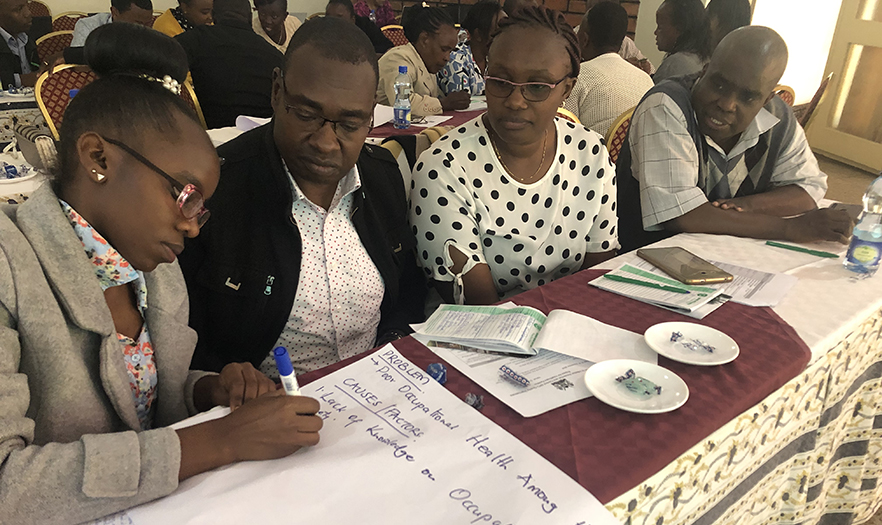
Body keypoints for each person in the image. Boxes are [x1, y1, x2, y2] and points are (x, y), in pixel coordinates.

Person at [0, 23, 322, 524]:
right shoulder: (9, 265)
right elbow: (8, 484)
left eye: (202, 209)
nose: (193, 229)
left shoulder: (154, 274)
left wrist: (207, 390)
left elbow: (143, 404)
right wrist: (218, 439)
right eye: (185, 194)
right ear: (97, 157)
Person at [179, 16, 426, 375]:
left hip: (377, 391)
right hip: (264, 410)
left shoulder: (381, 178)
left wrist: (393, 339)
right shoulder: (218, 191)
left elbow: (406, 293)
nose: (326, 142)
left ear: (371, 116)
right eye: (307, 115)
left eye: (350, 124)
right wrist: (222, 382)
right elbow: (185, 341)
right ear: (277, 91)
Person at [409, 6, 618, 306]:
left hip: (570, 327)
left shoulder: (592, 155)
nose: (516, 101)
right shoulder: (444, 168)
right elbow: (478, 306)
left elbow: (595, 278)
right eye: (500, 81)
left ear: (566, 90)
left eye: (537, 86)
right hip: (473, 337)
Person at [616, 26, 852, 253]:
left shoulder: (778, 116)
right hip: (650, 258)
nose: (727, 104)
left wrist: (746, 206)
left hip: (728, 254)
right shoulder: (666, 105)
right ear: (704, 71)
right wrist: (790, 228)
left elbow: (808, 189)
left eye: (748, 97)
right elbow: (682, 215)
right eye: (719, 84)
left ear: (767, 99)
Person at [176, 0, 284, 128]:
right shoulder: (275, 55)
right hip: (262, 136)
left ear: (214, 15)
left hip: (213, 136)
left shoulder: (198, 39)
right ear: (250, 17)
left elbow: (158, 56)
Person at [564, 1, 653, 135]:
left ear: (583, 40)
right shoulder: (647, 81)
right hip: (638, 155)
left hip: (592, 154)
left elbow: (563, 127)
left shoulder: (579, 78)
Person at [376, 5, 469, 116]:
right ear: (425, 39)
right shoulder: (397, 58)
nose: (447, 58)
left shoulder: (426, 62)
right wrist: (444, 103)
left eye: (450, 52)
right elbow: (403, 103)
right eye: (444, 49)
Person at [437, 0, 503, 96]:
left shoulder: (494, 59)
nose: (505, 37)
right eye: (498, 32)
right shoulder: (456, 60)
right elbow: (461, 105)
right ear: (478, 35)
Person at [575, 0, 653, 75]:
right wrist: (621, 66)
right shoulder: (576, 36)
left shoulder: (626, 43)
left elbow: (649, 68)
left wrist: (642, 66)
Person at [652, 0, 710, 83]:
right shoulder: (705, 59)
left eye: (660, 27)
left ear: (680, 28)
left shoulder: (674, 64)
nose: (655, 32)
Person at [70, 0, 154, 47]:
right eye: (138, 23)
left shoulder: (153, 29)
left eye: (148, 23)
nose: (144, 29)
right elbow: (78, 66)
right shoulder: (89, 25)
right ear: (115, 12)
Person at [325, 0, 393, 55]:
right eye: (328, 16)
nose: (332, 21)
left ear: (352, 19)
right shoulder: (322, 29)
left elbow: (387, 46)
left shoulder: (365, 25)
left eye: (339, 17)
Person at [0, 0, 40, 88]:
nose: (28, 13)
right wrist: (21, 80)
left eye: (27, 6)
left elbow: (35, 68)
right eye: (18, 9)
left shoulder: (25, 36)